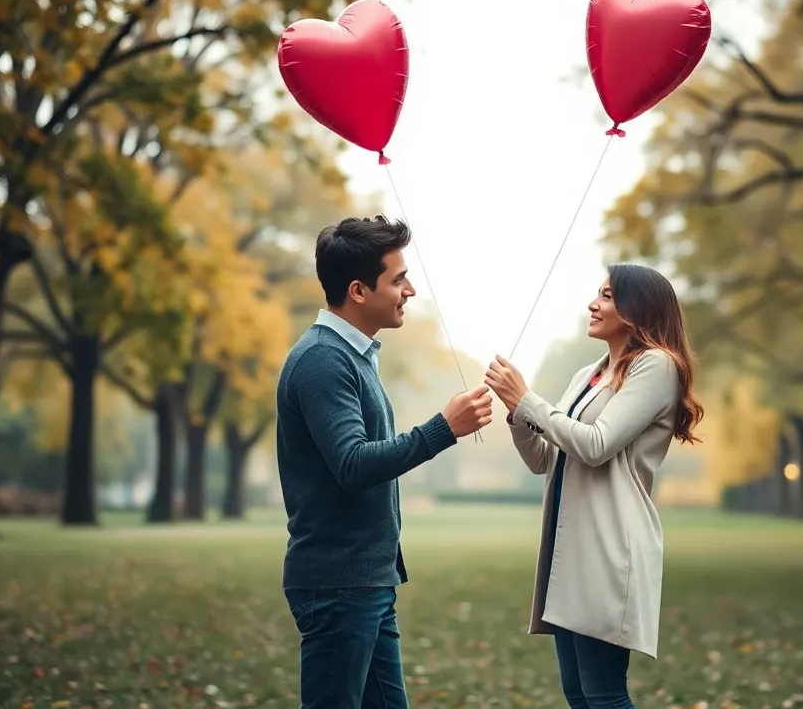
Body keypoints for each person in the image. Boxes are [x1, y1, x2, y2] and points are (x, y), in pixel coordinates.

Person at [276, 216, 492, 708]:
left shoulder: (353, 356)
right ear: (358, 290)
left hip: (365, 581)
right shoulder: (322, 360)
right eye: (397, 279)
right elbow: (352, 464)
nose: (409, 290)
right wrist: (443, 428)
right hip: (338, 586)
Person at [485, 263, 703, 709]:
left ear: (636, 308)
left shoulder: (657, 367)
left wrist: (528, 400)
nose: (593, 303)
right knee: (578, 692)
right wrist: (516, 413)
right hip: (571, 551)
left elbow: (596, 445)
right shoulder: (587, 374)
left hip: (608, 548)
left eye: (606, 295)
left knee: (603, 693)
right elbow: (544, 459)